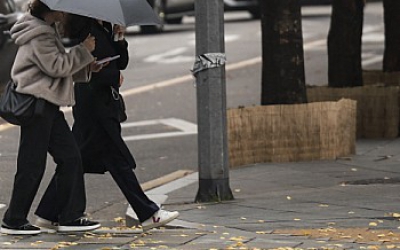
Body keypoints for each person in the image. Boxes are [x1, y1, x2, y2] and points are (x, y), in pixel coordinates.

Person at [34, 14, 179, 233]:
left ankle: (46, 213)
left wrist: (120, 38)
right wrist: (112, 76)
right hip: (93, 107)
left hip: (103, 106)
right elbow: (84, 69)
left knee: (76, 160)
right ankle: (149, 213)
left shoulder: (105, 27)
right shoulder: (85, 29)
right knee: (117, 160)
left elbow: (121, 62)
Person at [0, 0, 104, 235]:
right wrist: (83, 51)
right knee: (32, 165)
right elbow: (57, 67)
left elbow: (53, 69)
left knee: (70, 158)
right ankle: (14, 219)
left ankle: (70, 216)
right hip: (38, 105)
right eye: (63, 9)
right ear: (52, 9)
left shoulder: (44, 30)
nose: (66, 13)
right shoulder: (39, 35)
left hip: (47, 104)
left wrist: (87, 68)